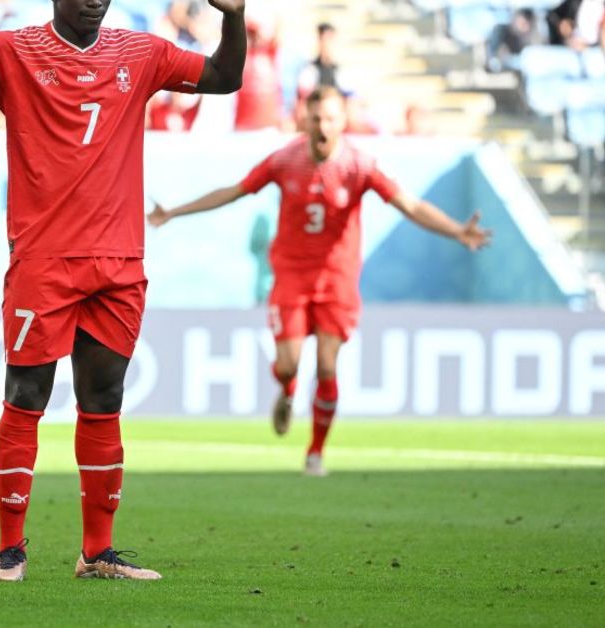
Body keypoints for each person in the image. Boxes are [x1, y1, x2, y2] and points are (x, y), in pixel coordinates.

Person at [0, 0, 247, 581]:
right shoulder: (11, 52)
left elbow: (225, 79)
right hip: (44, 259)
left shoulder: (140, 53)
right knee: (27, 394)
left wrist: (233, 17)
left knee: (104, 398)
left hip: (119, 260)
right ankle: (11, 548)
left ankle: (98, 552)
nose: (95, 1)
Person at [148, 86, 492, 476]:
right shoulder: (285, 161)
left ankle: (315, 453)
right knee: (289, 364)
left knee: (328, 366)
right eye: (315, 119)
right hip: (292, 275)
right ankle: (287, 389)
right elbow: (235, 191)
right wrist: (175, 212)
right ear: (304, 122)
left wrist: (456, 231)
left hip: (337, 278)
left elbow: (409, 205)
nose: (322, 127)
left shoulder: (360, 166)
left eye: (330, 118)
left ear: (343, 121)